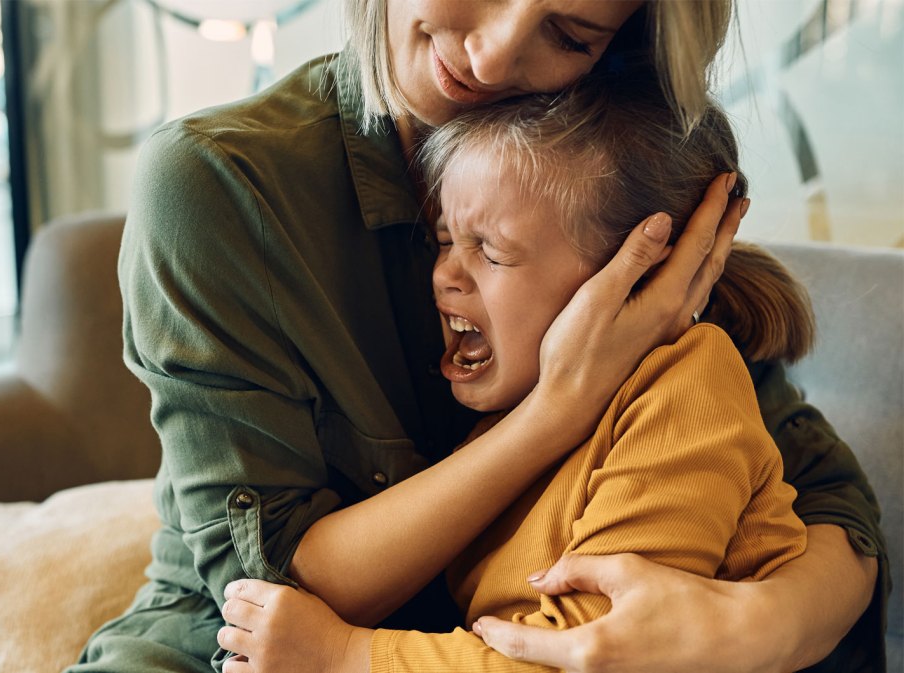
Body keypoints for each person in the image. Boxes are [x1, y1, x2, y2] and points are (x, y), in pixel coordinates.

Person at [66, 2, 885, 672]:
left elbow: (825, 497)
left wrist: (752, 629)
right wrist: (557, 408)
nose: (491, 58)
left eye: (569, 34)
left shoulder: (605, 174)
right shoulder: (220, 181)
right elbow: (266, 594)